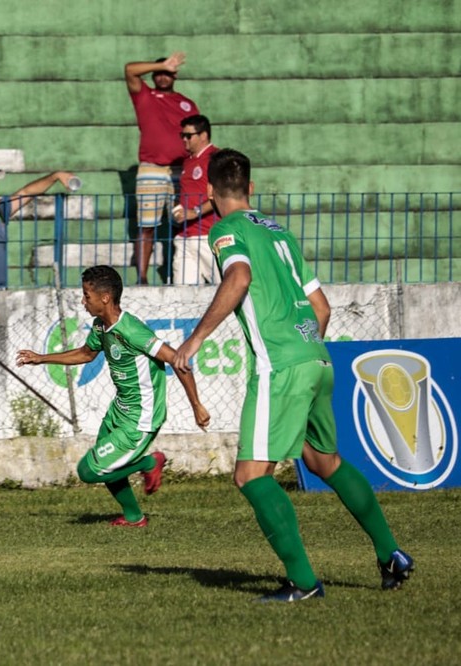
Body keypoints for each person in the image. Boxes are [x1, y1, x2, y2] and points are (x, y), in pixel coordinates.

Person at [172, 149, 414, 602]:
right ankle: (391, 554)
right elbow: (322, 307)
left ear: (209, 191)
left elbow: (238, 278)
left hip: (281, 367)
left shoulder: (225, 230)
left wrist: (196, 338)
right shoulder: (279, 231)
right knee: (324, 461)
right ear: (251, 188)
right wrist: (304, 353)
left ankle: (303, 582)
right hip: (317, 358)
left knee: (250, 475)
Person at [16, 265, 209, 527]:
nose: (83, 301)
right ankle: (134, 517)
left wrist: (197, 405)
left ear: (105, 298)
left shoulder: (131, 330)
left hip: (140, 418)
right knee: (107, 465)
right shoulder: (101, 325)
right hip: (119, 410)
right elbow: (86, 354)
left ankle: (149, 463)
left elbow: (177, 360)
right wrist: (41, 358)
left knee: (88, 470)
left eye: (87, 295)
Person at [124, 52, 199, 285]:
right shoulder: (145, 96)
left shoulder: (187, 104)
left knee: (181, 224)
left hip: (180, 170)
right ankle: (142, 279)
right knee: (146, 226)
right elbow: (129, 69)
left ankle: (178, 275)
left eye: (167, 72)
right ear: (153, 75)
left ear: (175, 75)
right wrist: (161, 64)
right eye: (159, 73)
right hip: (151, 169)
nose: (163, 76)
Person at [171, 114, 218, 285]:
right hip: (185, 237)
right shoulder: (188, 161)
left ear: (203, 135)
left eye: (188, 135)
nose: (184, 139)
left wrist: (195, 212)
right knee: (183, 294)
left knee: (226, 290)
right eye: (182, 135)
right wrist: (177, 209)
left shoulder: (216, 158)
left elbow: (222, 194)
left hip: (208, 236)